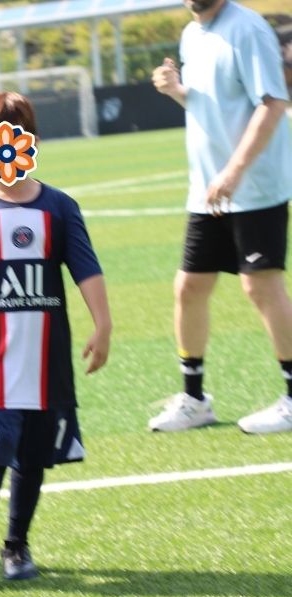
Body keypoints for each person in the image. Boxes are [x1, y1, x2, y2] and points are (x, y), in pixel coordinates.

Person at [0, 91, 112, 594]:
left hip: (47, 363)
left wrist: (103, 324)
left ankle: (16, 545)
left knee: (32, 459)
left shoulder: (59, 207)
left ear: (31, 142)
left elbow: (86, 269)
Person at [148, 0, 292, 433]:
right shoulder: (191, 34)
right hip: (208, 190)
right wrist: (176, 90)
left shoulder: (249, 29)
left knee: (260, 286)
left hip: (254, 184)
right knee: (189, 287)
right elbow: (212, 106)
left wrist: (234, 171)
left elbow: (273, 103)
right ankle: (194, 400)